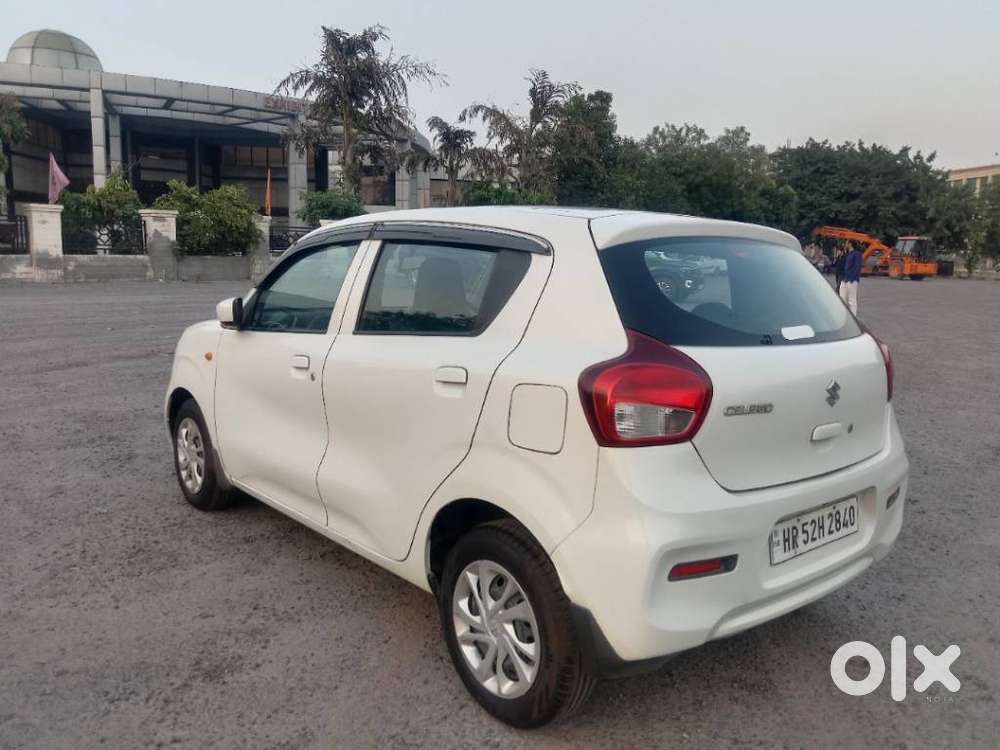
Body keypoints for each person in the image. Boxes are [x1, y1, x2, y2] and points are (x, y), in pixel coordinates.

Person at [840, 241, 862, 315]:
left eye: (846, 243)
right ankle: (844, 315)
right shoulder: (847, 254)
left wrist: (852, 278)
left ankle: (853, 317)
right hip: (844, 279)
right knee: (842, 298)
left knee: (852, 300)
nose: (845, 244)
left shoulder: (856, 254)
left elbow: (857, 266)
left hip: (851, 279)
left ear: (850, 244)